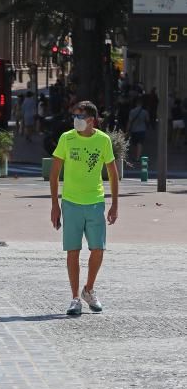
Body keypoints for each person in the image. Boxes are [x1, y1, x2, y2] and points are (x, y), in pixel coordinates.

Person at [50, 100, 119, 316]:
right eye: (75, 116)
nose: (76, 120)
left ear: (91, 120)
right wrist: (55, 205)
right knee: (73, 251)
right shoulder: (66, 138)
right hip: (70, 203)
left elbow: (113, 173)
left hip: (95, 202)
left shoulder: (103, 140)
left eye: (80, 116)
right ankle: (75, 298)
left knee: (98, 249)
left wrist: (115, 204)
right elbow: (54, 173)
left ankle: (89, 290)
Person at [126, 95, 150, 161]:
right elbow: (147, 120)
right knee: (140, 143)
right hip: (142, 129)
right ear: (141, 104)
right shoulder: (145, 112)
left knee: (134, 143)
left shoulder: (132, 111)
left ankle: (135, 155)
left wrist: (127, 130)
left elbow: (130, 121)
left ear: (136, 104)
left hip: (134, 130)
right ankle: (138, 157)